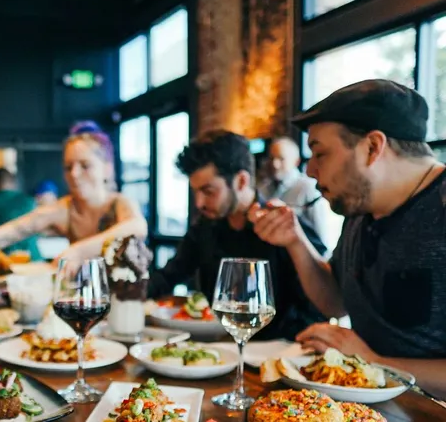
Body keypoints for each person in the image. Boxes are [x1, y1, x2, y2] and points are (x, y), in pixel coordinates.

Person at [249, 79, 446, 398]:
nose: (310, 171)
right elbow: (335, 301)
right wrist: (295, 241)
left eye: (320, 153)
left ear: (372, 147)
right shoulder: (360, 209)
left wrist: (373, 362)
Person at [149, 130, 327, 341]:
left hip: (275, 352)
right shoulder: (205, 227)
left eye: (208, 191)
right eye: (195, 192)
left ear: (241, 181)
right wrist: (129, 289)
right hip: (218, 347)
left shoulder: (284, 226)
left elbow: (319, 308)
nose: (199, 203)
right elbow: (169, 276)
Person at [0, 120, 147, 271]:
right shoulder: (65, 209)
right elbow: (13, 230)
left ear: (107, 169)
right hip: (87, 301)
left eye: (85, 166)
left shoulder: (119, 203)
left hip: (127, 302)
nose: (74, 174)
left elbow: (137, 227)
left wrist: (77, 251)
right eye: (68, 167)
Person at [258, 136, 339, 253]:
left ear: (296, 161)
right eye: (271, 158)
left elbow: (322, 238)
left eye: (281, 159)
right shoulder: (263, 188)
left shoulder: (309, 188)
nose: (275, 164)